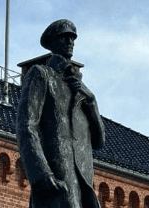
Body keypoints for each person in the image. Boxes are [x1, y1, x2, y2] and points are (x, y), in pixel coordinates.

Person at [16, 19, 105, 208]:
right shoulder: (42, 74)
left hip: (83, 183)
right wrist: (41, 175)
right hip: (57, 177)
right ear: (53, 42)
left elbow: (98, 141)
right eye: (64, 37)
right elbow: (26, 126)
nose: (69, 42)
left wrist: (91, 101)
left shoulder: (82, 89)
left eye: (72, 38)